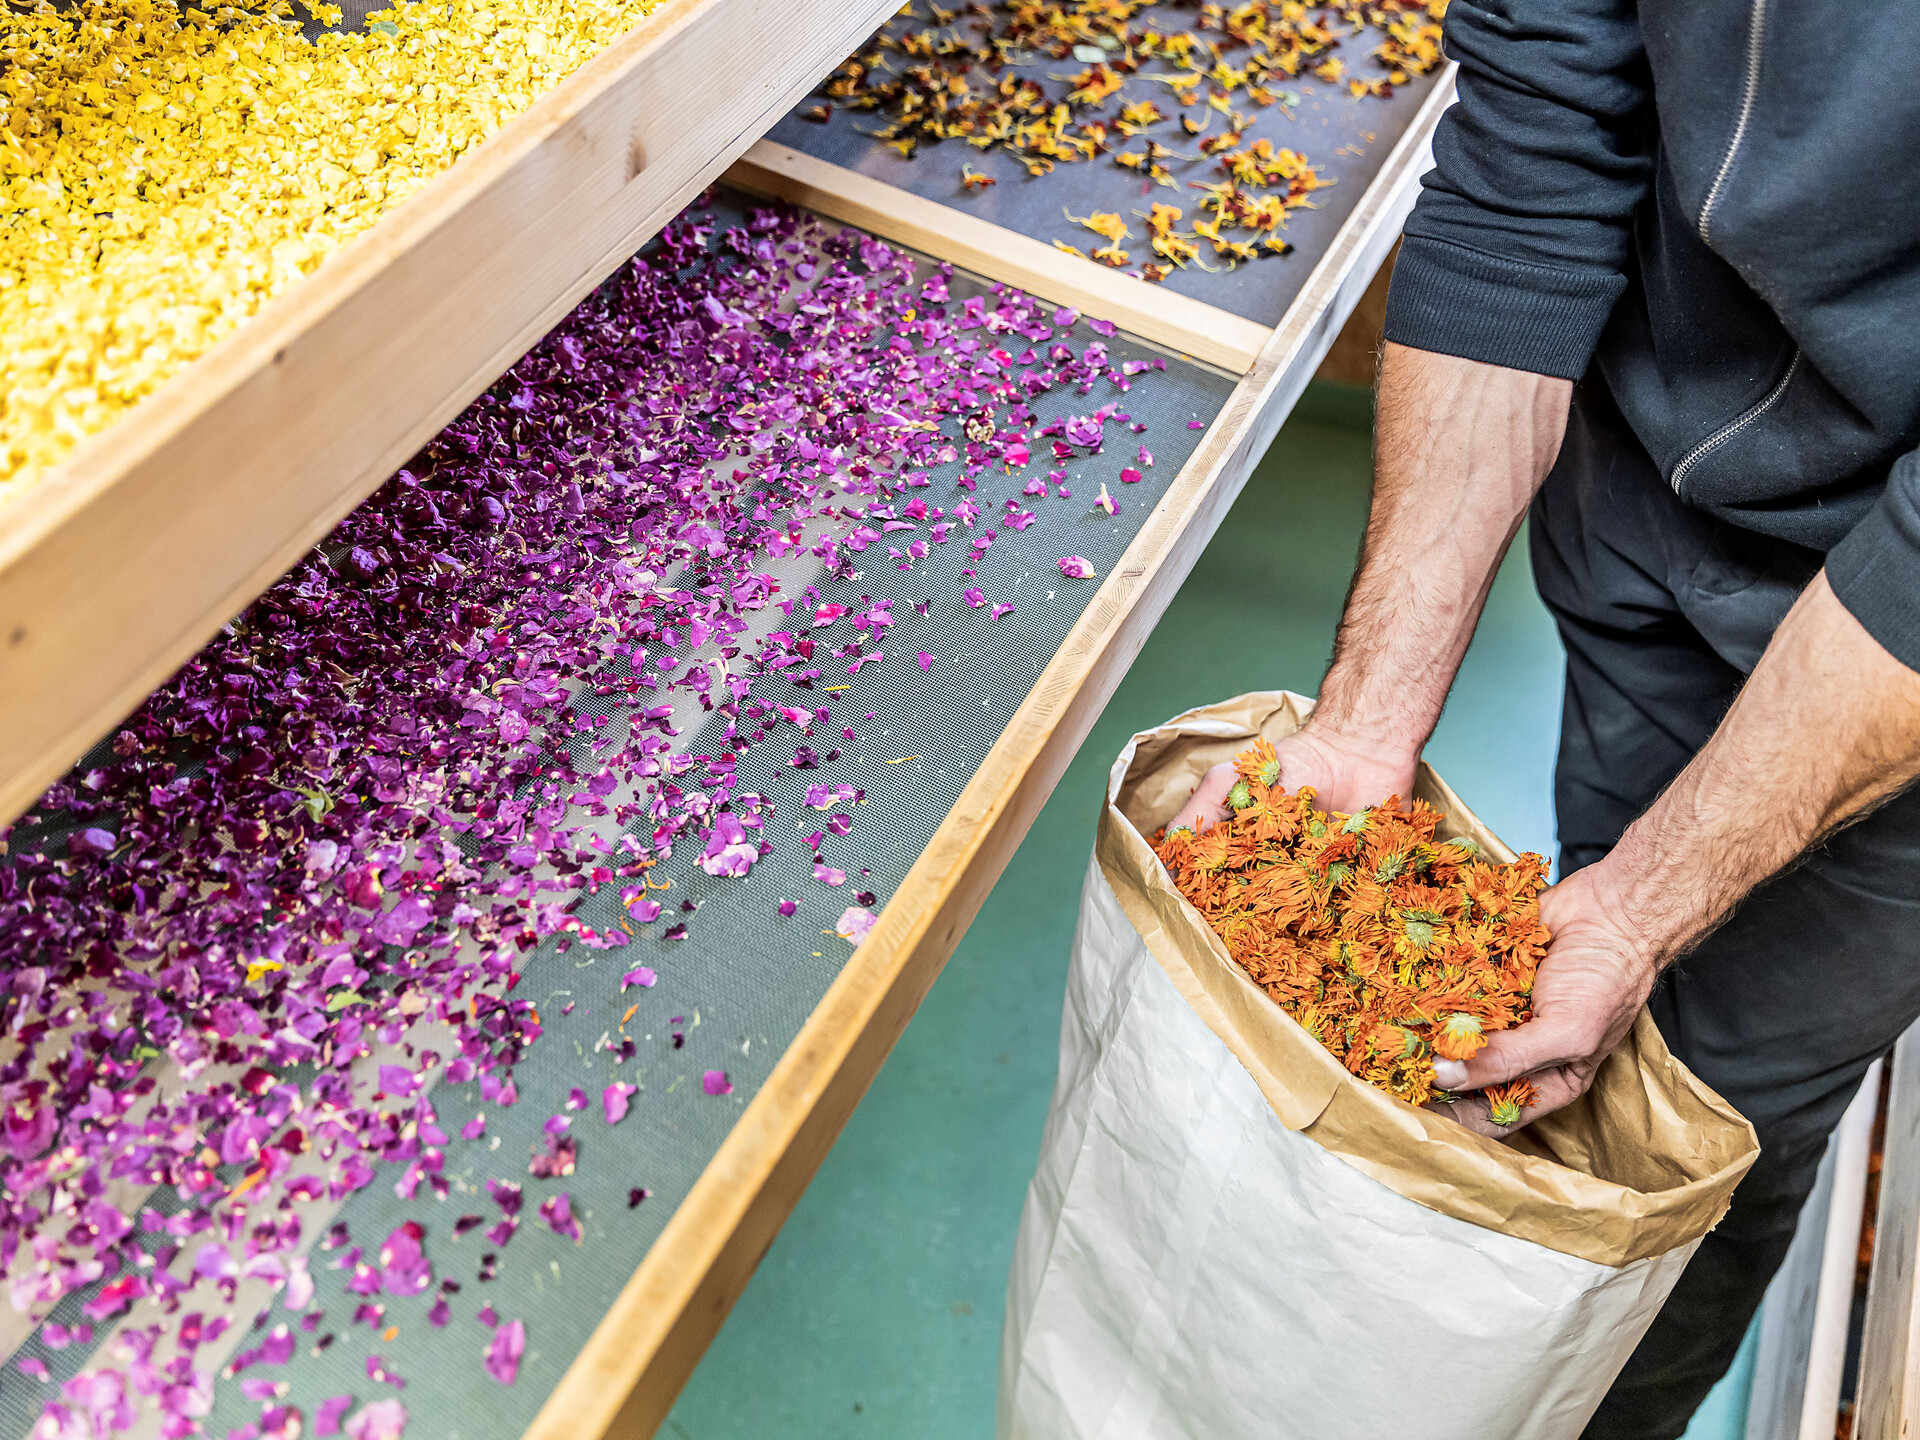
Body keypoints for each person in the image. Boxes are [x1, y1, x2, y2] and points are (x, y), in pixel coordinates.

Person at [1169, 2, 1920, 1434]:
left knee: (1710, 1129)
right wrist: (1363, 724)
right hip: (1655, 486)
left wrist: (1646, 910)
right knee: (1555, 990)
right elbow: (1535, 159)